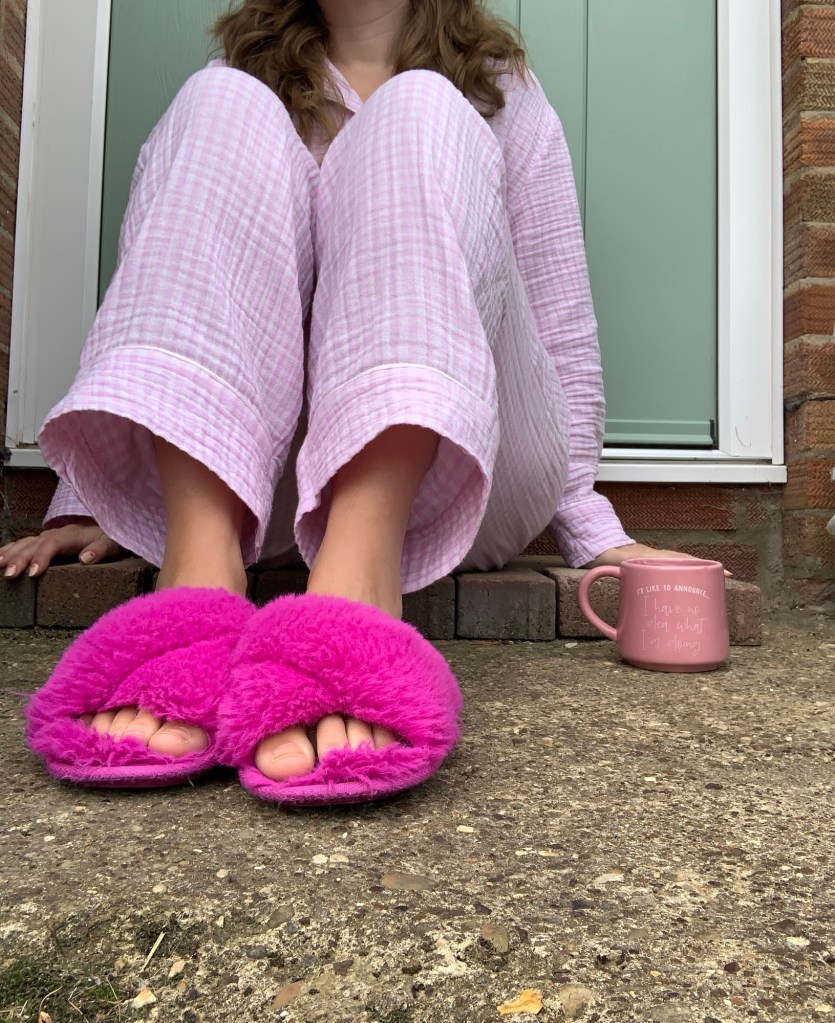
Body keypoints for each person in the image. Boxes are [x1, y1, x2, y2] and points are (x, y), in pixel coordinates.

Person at [6, 0, 692, 804]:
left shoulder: (501, 92)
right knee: (217, 103)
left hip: (460, 469)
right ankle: (196, 570)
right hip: (268, 484)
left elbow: (554, 312)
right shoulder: (237, 81)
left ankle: (360, 575)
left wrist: (588, 525)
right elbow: (171, 283)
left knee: (420, 107)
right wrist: (96, 498)